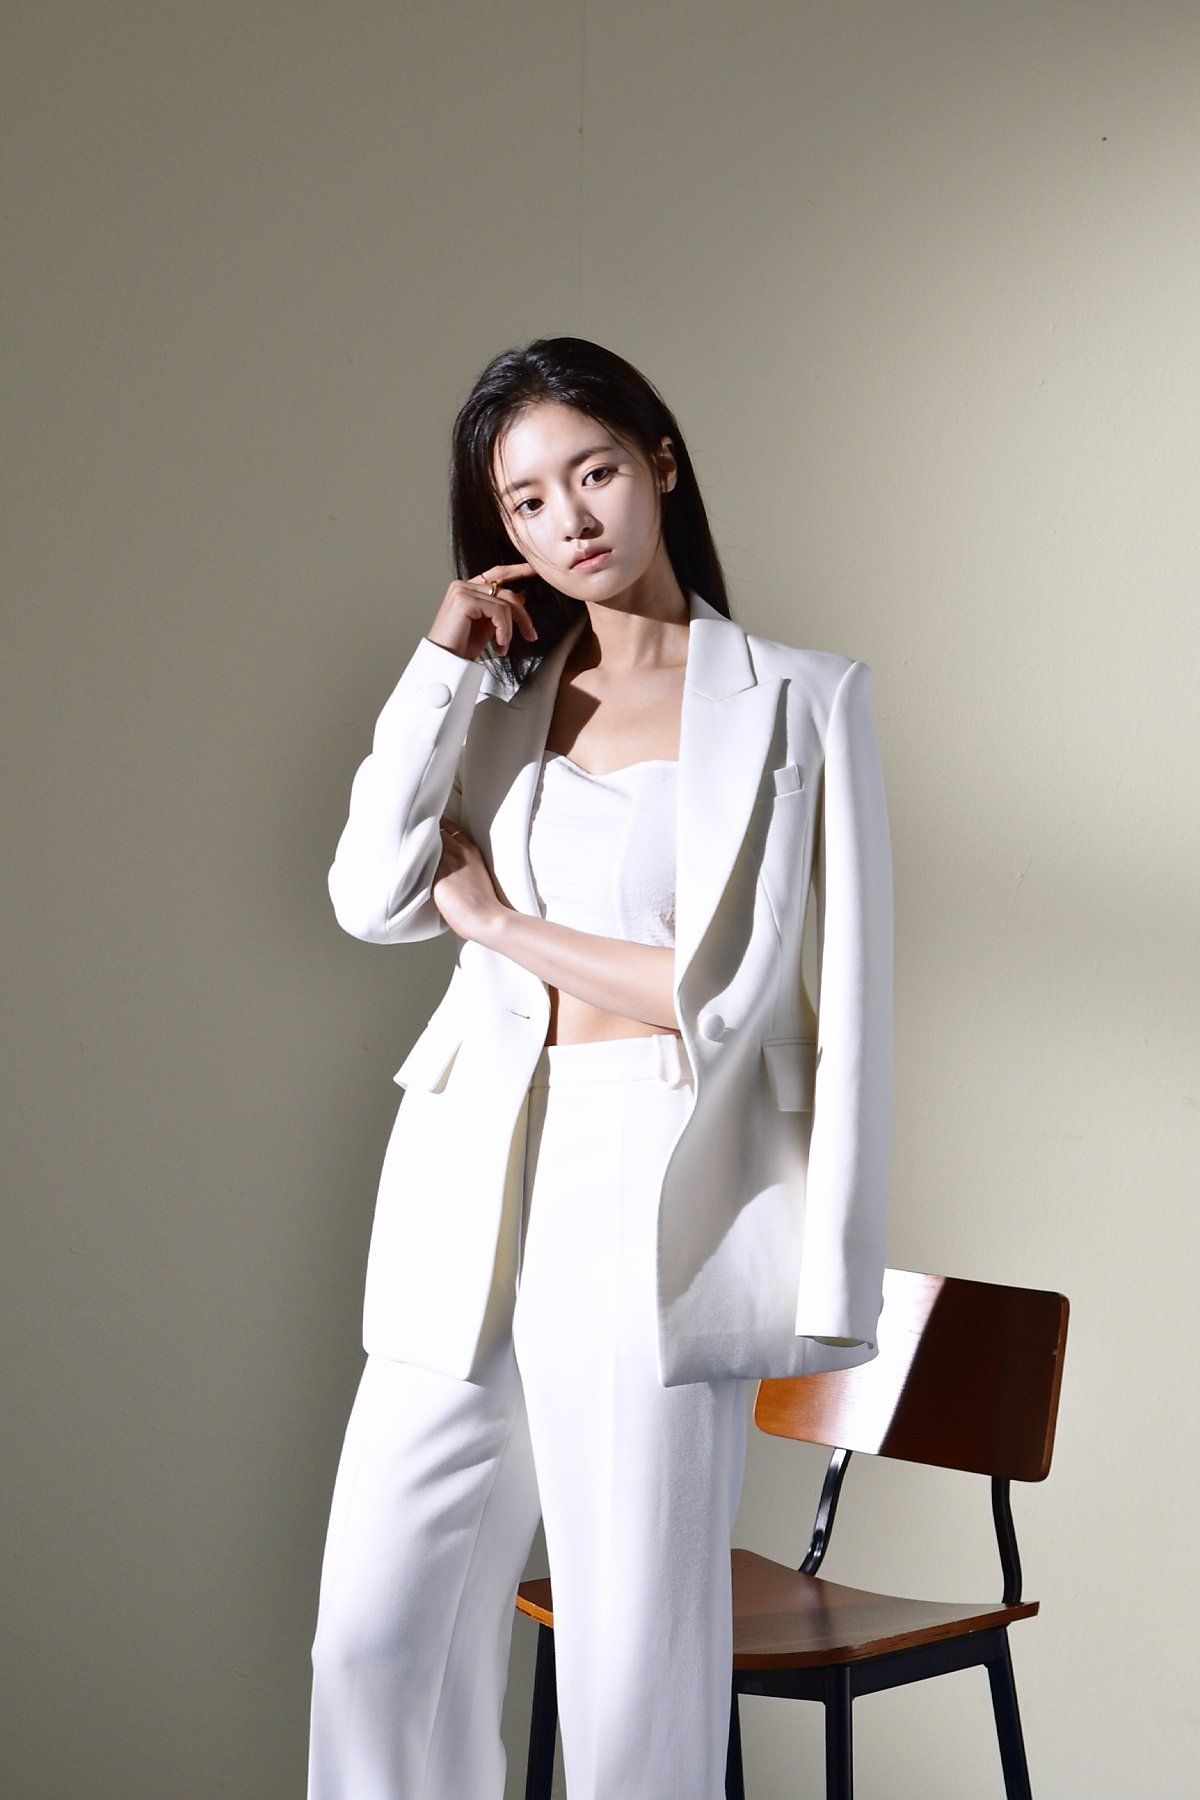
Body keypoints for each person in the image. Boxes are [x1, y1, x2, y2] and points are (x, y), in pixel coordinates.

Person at [307, 336, 894, 1798]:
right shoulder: (503, 695)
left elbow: (726, 993)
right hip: (474, 1174)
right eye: (526, 502)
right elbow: (370, 896)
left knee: (631, 1660)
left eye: (596, 472)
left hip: (654, 1179)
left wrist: (501, 925)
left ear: (661, 464)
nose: (568, 519)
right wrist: (442, 662)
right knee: (372, 1643)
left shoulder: (796, 700)